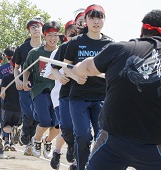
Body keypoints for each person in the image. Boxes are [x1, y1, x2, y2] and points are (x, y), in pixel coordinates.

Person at [63, 9, 161, 170]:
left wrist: (77, 70)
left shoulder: (119, 48)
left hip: (114, 142)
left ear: (142, 30)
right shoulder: (89, 44)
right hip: (154, 144)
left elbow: (85, 67)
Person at [63, 4, 114, 170]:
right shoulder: (76, 43)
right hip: (79, 97)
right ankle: (81, 166)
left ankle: (93, 165)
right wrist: (75, 76)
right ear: (85, 20)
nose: (96, 21)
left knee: (103, 137)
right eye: (92, 17)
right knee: (83, 136)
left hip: (102, 97)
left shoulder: (110, 44)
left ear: (104, 20)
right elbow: (65, 67)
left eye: (100, 17)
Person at [23, 21, 61, 159]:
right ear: (44, 36)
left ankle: (48, 141)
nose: (52, 38)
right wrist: (26, 80)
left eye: (55, 35)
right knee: (45, 121)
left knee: (58, 125)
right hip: (40, 90)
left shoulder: (62, 51)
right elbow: (26, 69)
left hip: (57, 91)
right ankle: (37, 140)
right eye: (49, 35)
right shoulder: (35, 53)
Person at [47, 18, 82, 169]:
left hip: (81, 96)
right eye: (70, 32)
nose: (73, 35)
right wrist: (60, 76)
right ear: (65, 35)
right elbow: (49, 73)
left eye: (76, 32)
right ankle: (57, 150)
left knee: (80, 129)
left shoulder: (84, 49)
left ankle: (76, 158)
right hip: (60, 96)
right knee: (66, 128)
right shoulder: (58, 50)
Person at [13, 16, 43, 156]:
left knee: (39, 116)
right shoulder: (22, 48)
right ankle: (24, 132)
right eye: (33, 27)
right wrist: (17, 80)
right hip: (26, 86)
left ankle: (30, 142)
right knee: (29, 115)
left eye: (38, 26)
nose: (36, 29)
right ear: (29, 31)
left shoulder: (48, 47)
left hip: (42, 87)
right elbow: (16, 67)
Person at [0, 59, 22, 151]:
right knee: (15, 125)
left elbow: (3, 93)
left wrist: (5, 101)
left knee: (5, 126)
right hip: (19, 107)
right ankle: (13, 144)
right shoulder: (22, 77)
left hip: (8, 106)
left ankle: (6, 142)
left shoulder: (6, 78)